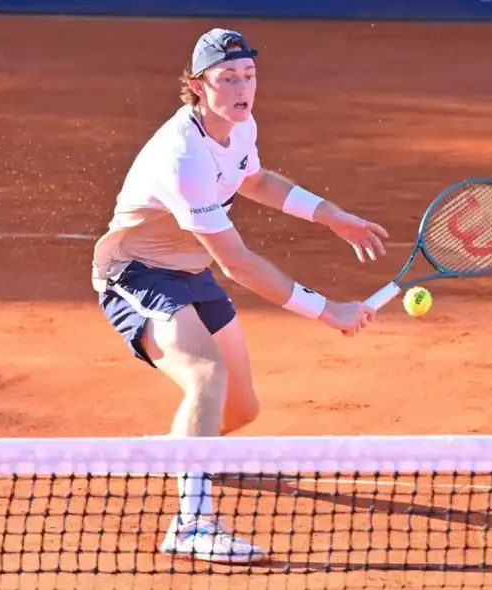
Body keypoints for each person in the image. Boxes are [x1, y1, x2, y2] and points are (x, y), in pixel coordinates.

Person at [91, 28, 390, 563]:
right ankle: (192, 525)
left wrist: (331, 216)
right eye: (227, 78)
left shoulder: (240, 125)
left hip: (191, 269)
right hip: (137, 274)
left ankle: (182, 451)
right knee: (206, 374)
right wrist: (328, 311)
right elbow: (238, 264)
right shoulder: (183, 157)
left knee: (241, 410)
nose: (241, 87)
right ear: (197, 86)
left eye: (248, 75)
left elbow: (255, 181)